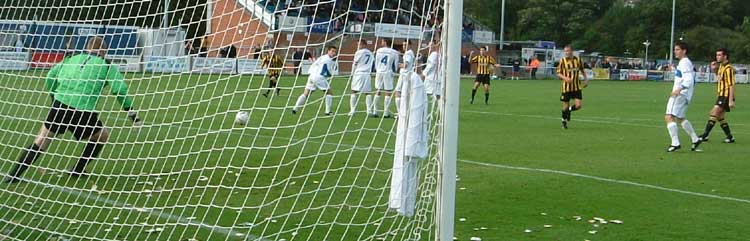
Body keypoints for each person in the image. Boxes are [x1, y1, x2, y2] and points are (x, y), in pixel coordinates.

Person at [4, 36, 142, 183]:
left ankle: (13, 175)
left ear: (88, 48)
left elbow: (50, 76)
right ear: (104, 51)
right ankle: (77, 169)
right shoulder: (106, 65)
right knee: (102, 136)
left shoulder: (72, 58)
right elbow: (120, 90)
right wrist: (133, 117)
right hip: (83, 110)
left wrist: (54, 97)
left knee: (42, 139)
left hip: (60, 104)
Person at [664, 42, 702, 152]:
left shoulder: (684, 62)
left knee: (668, 116)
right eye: (675, 49)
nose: (675, 51)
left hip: (680, 94)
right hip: (686, 95)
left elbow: (689, 80)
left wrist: (679, 90)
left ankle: (675, 143)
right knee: (680, 117)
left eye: (677, 49)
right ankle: (695, 139)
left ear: (684, 51)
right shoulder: (685, 63)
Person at [699, 48, 736, 143]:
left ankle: (705, 135)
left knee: (713, 113)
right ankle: (730, 137)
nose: (717, 57)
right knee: (720, 117)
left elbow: (731, 85)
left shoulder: (728, 69)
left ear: (725, 56)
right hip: (721, 95)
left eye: (719, 55)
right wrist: (714, 70)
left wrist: (731, 100)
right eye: (717, 55)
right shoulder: (721, 67)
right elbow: (720, 78)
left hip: (726, 96)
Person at [292, 46, 337, 115]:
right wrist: (330, 73)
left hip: (312, 76)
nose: (333, 53)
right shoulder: (328, 60)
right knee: (329, 92)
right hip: (319, 77)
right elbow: (326, 71)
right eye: (332, 51)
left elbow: (315, 64)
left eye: (335, 52)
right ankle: (328, 111)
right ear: (328, 51)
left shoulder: (322, 57)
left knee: (306, 93)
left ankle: (295, 108)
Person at [557, 44, 589, 129]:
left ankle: (569, 110)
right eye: (565, 51)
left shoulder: (578, 60)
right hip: (566, 87)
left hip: (576, 86)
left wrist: (586, 79)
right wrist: (565, 78)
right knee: (565, 106)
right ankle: (564, 122)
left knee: (578, 106)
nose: (566, 52)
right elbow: (558, 73)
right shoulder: (562, 61)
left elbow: (582, 70)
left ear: (572, 51)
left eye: (568, 51)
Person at [373, 38, 400, 118]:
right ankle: (386, 113)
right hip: (388, 72)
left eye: (382, 41)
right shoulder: (394, 52)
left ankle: (375, 111)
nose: (381, 42)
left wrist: (377, 70)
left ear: (385, 42)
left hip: (379, 72)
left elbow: (376, 61)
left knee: (378, 91)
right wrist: (394, 71)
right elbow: (395, 65)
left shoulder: (378, 50)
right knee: (388, 92)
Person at [349, 40, 374, 116]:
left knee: (354, 91)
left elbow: (355, 63)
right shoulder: (370, 53)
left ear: (363, 45)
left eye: (359, 44)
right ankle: (369, 111)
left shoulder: (359, 52)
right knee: (368, 92)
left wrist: (352, 74)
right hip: (367, 74)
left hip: (359, 73)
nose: (358, 46)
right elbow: (373, 64)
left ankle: (352, 110)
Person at [394, 39, 416, 115]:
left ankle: (400, 112)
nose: (404, 46)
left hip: (405, 75)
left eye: (406, 45)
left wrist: (397, 65)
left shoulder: (409, 53)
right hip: (406, 75)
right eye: (403, 45)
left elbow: (405, 65)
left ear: (409, 45)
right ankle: (403, 111)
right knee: (403, 93)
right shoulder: (408, 53)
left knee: (398, 92)